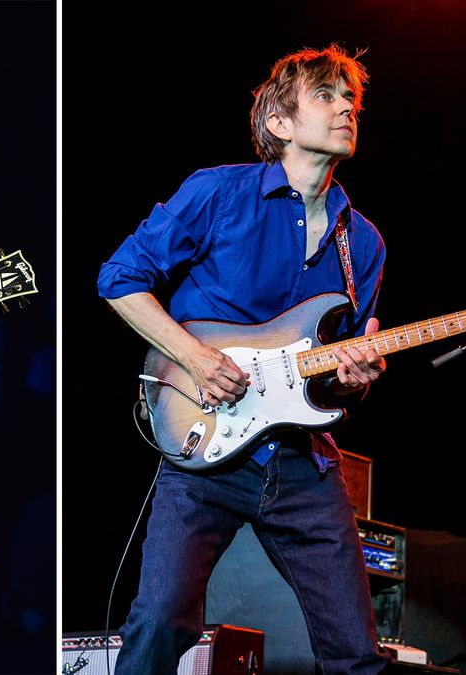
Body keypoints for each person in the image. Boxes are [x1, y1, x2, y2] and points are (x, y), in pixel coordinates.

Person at [97, 44, 390, 674]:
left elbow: (337, 378)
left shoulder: (361, 242)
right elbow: (118, 279)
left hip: (303, 466)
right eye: (326, 96)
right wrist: (198, 359)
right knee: (156, 626)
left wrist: (356, 377)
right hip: (203, 448)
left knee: (358, 657)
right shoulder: (216, 193)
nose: (346, 108)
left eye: (351, 100)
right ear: (280, 124)